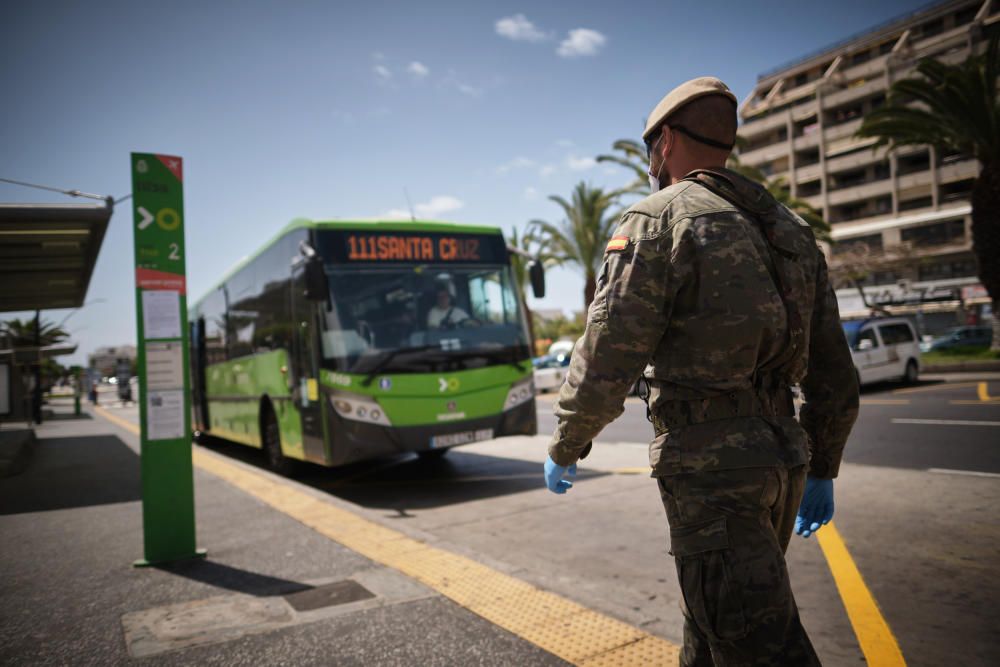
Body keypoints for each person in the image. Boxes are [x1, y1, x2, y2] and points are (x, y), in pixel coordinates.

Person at [542, 77, 859, 666]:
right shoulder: (790, 230)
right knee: (711, 633)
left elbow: (609, 353)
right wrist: (823, 466)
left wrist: (567, 442)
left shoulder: (658, 219)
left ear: (663, 144)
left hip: (711, 471)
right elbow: (834, 374)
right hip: (784, 461)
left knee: (759, 645)